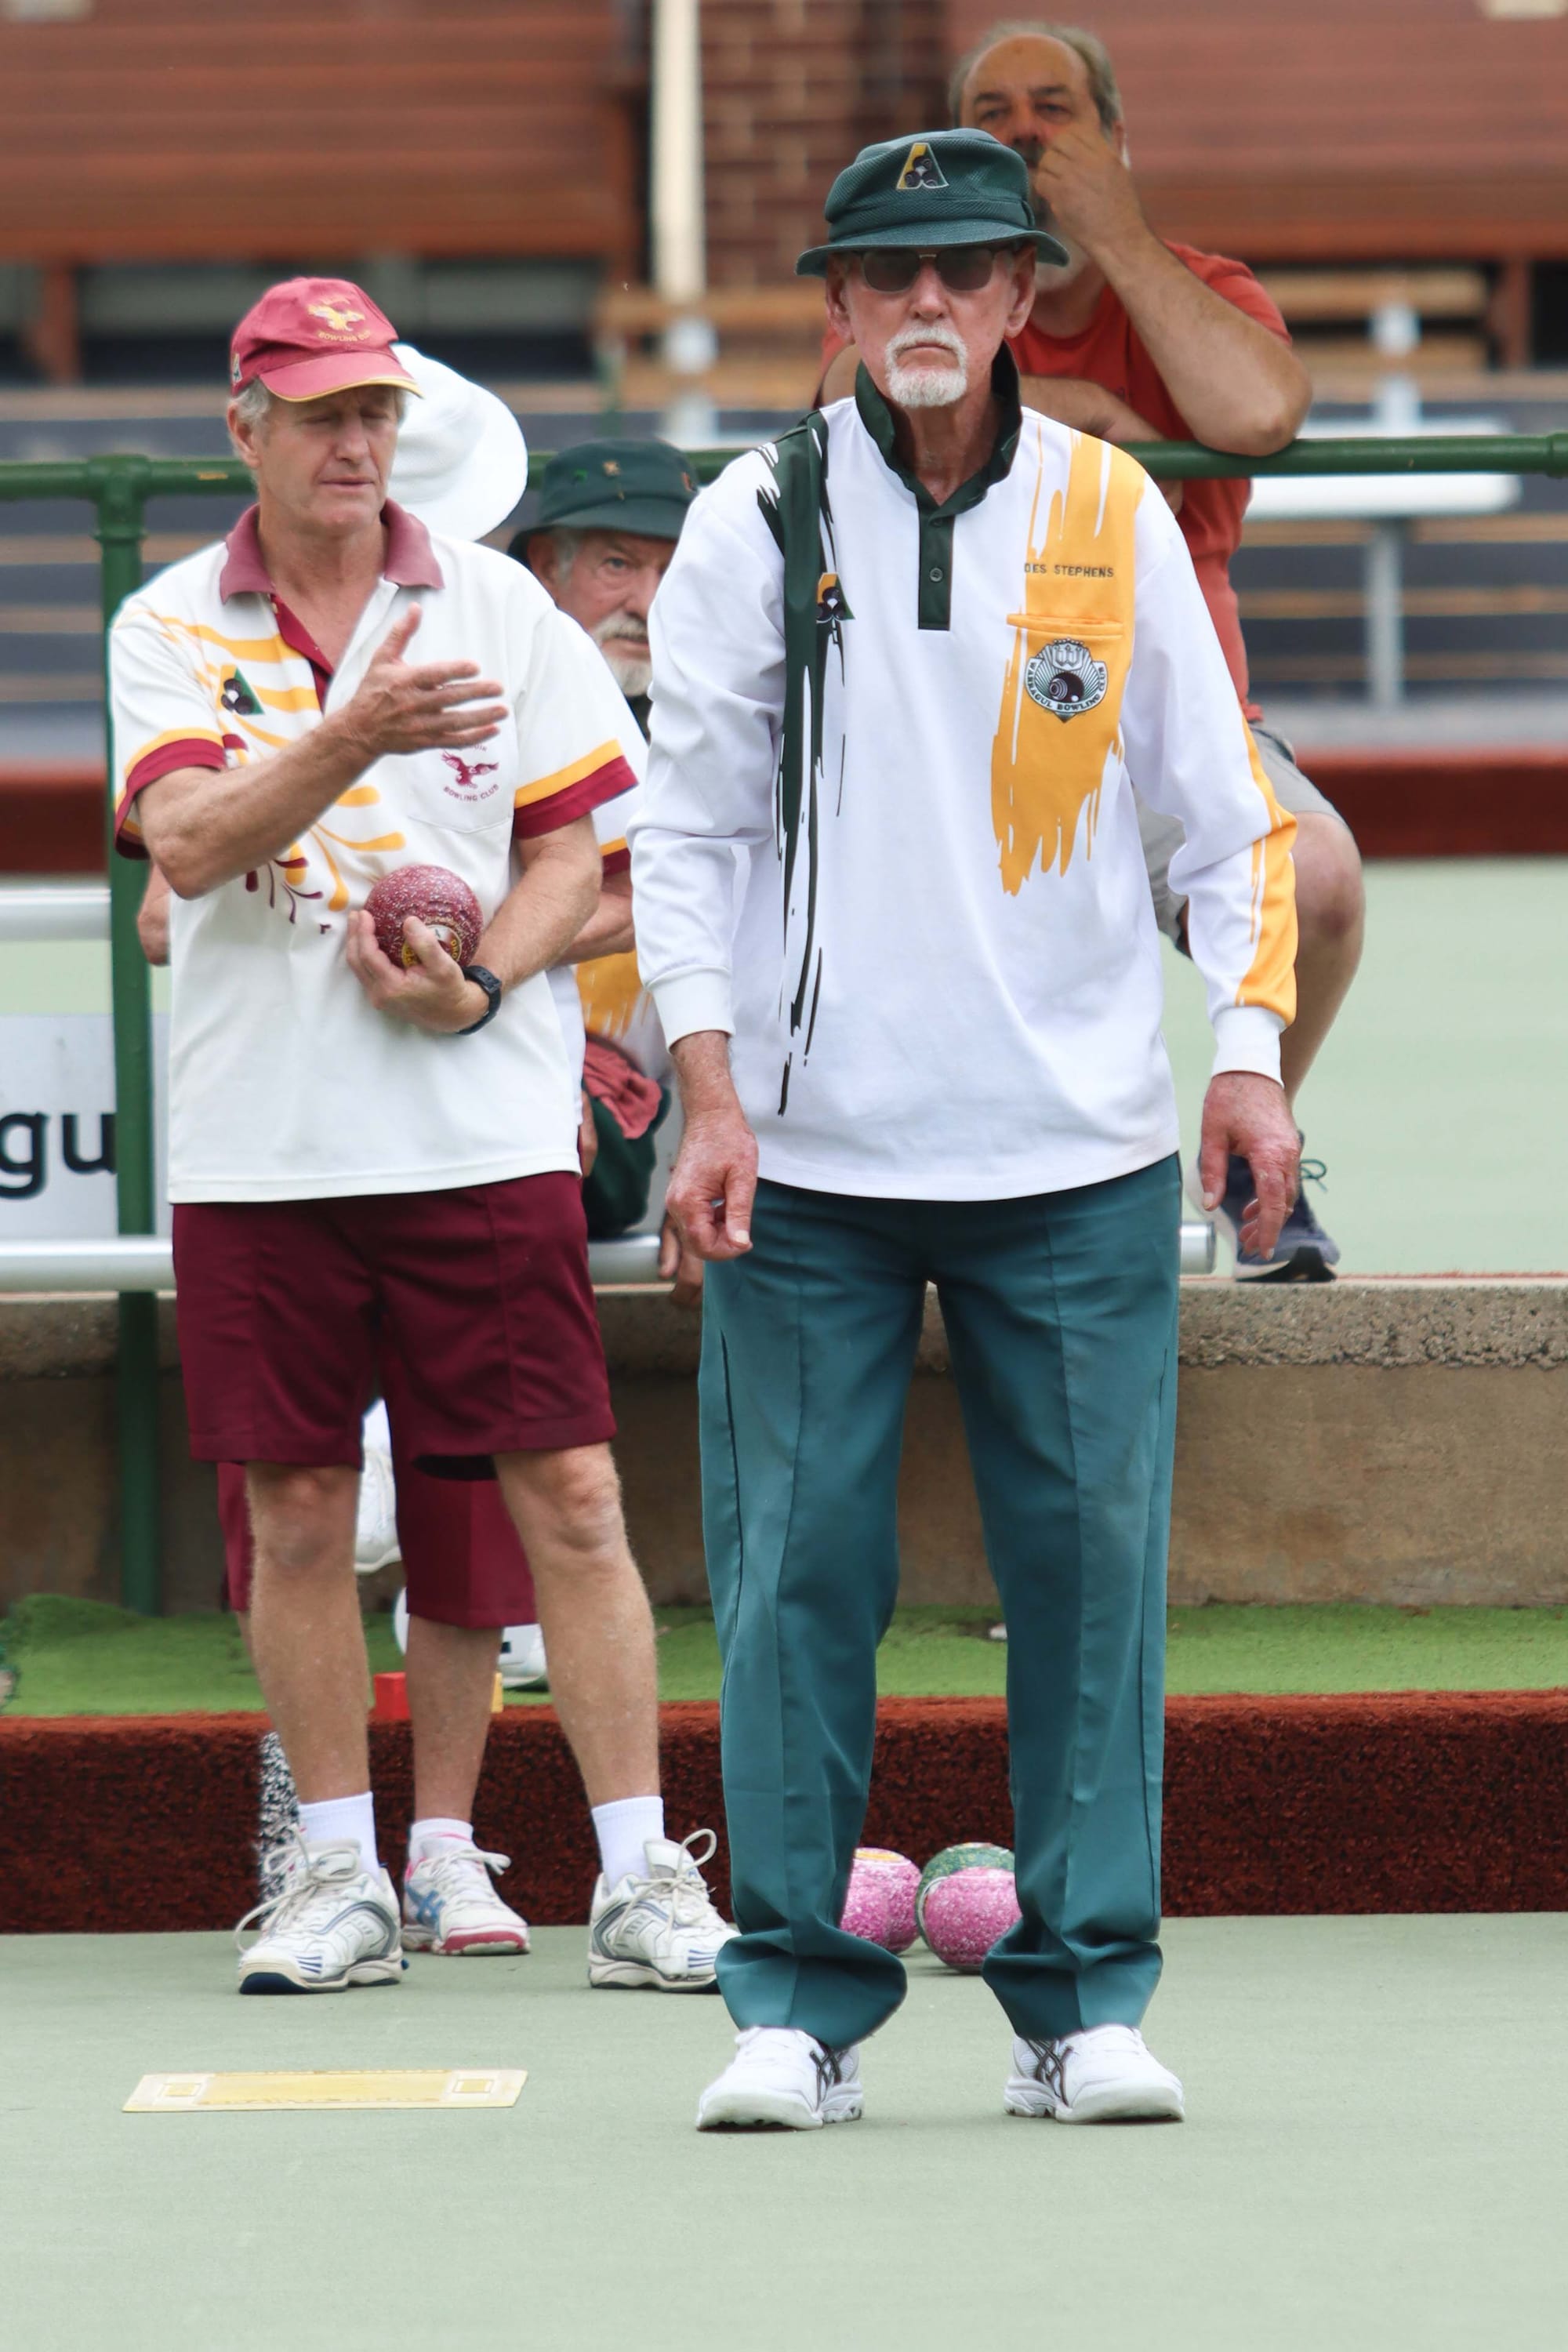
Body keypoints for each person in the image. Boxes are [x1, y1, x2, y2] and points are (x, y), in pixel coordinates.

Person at [632, 130, 1301, 2128]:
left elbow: (1222, 820)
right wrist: (708, 1087)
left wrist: (1247, 1049)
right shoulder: (752, 514)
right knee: (792, 1577)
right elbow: (687, 832)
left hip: (1075, 1150)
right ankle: (791, 2008)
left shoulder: (1111, 504)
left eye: (964, 271)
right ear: (837, 308)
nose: (924, 303)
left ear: (1019, 297)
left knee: (1089, 1582)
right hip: (808, 1160)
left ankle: (1078, 2004)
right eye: (886, 274)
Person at [111, 278, 731, 1994]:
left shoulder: (502, 606)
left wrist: (484, 988)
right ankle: (339, 1874)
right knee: (300, 1512)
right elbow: (187, 842)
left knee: (574, 1497)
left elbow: (579, 855)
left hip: (481, 1132)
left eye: (376, 411)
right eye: (322, 414)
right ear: (246, 429)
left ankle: (640, 1878)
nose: (357, 442)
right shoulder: (166, 625)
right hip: (263, 1146)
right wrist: (353, 735)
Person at [820, 24, 1360, 1281]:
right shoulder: (918, 290)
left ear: (1116, 136)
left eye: (1055, 110)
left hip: (1168, 726)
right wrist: (1092, 421)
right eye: (993, 113)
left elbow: (1256, 409)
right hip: (946, 731)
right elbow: (847, 389)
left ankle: (1253, 1144)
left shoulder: (1199, 286)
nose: (1024, 135)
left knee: (1318, 878)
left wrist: (1111, 232)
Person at [512, 437, 705, 1300]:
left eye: (675, 570)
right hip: (487, 1063)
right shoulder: (471, 702)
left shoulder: (745, 736)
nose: (647, 603)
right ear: (544, 569)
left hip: (617, 1124)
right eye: (618, 565)